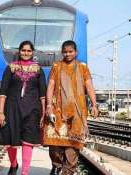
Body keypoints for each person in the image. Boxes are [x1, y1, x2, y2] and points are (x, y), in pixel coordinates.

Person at [42, 40, 98, 175]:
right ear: (62, 52)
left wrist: (94, 104)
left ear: (76, 52)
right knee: (54, 142)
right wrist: (49, 105)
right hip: (57, 109)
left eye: (70, 51)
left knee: (72, 144)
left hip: (77, 112)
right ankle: (56, 165)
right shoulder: (56, 66)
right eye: (65, 52)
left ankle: (68, 171)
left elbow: (89, 86)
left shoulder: (83, 68)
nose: (67, 54)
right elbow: (50, 86)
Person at [0, 40, 46, 175]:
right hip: (12, 109)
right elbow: (3, 91)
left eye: (29, 51)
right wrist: (1, 112)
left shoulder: (38, 69)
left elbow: (43, 93)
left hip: (32, 110)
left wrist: (43, 113)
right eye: (23, 50)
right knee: (10, 138)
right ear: (19, 51)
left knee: (28, 141)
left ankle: (25, 172)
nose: (26, 53)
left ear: (32, 52)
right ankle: (13, 164)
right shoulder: (10, 68)